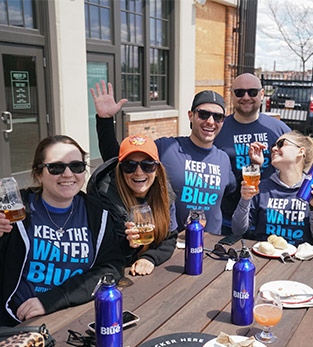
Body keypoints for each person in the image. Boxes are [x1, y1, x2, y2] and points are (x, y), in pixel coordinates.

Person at [0, 136, 124, 347]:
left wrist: (51, 300)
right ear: (38, 173)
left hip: (62, 327)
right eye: (56, 167)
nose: (68, 174)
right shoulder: (11, 211)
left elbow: (111, 268)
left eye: (76, 166)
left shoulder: (97, 215)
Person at [91, 81, 236, 234]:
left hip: (211, 248)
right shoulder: (166, 147)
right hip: (172, 245)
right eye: (203, 114)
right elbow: (120, 161)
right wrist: (105, 120)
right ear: (191, 115)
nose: (210, 121)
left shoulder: (224, 159)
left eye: (218, 117)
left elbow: (234, 194)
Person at [87, 134, 178, 276]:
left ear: (157, 169)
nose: (139, 172)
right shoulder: (105, 199)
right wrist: (128, 245)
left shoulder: (165, 194)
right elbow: (102, 256)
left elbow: (170, 238)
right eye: (130, 166)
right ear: (120, 169)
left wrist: (150, 258)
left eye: (147, 165)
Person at [214, 73, 291, 234]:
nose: (246, 97)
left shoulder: (279, 130)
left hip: (271, 221)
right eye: (240, 92)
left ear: (262, 95)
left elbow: (294, 169)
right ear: (232, 95)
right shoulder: (217, 129)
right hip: (228, 220)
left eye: (253, 92)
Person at [231, 131, 313, 247]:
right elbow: (237, 230)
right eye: (273, 146)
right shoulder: (262, 187)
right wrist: (245, 200)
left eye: (281, 144)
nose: (274, 148)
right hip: (264, 256)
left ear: (300, 151)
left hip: (300, 260)